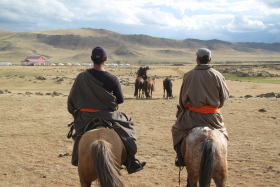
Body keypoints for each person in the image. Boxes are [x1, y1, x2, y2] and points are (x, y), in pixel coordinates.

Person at [67, 46, 146, 174]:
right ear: (106, 59)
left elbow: (71, 101)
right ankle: (131, 160)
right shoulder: (112, 78)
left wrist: (76, 114)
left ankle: (77, 157)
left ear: (91, 59)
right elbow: (120, 100)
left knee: (79, 136)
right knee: (129, 123)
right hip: (109, 115)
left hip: (86, 116)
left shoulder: (81, 77)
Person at [171, 48, 229, 167]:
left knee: (176, 130)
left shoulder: (188, 75)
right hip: (213, 117)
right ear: (210, 59)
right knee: (223, 134)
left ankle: (181, 158)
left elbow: (182, 98)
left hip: (192, 117)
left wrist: (185, 108)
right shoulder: (218, 75)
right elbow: (224, 96)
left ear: (197, 59)